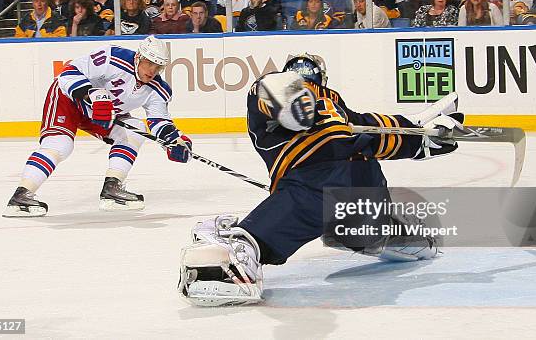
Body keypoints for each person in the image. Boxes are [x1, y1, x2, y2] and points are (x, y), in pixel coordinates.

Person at [177, 53, 463, 306]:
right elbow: (269, 94)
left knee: (301, 210)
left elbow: (370, 130)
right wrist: (418, 141)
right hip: (345, 185)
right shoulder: (290, 101)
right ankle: (403, 235)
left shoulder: (334, 108)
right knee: (360, 221)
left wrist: (421, 139)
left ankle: (240, 251)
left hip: (322, 187)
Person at [2, 36, 192, 217]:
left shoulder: (159, 89)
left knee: (135, 129)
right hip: (67, 100)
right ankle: (21, 196)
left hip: (101, 114)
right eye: (149, 63)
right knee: (60, 146)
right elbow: (67, 73)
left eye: (157, 66)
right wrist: (91, 94)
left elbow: (159, 121)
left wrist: (174, 140)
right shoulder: (112, 58)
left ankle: (112, 188)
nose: (152, 70)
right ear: (138, 57)